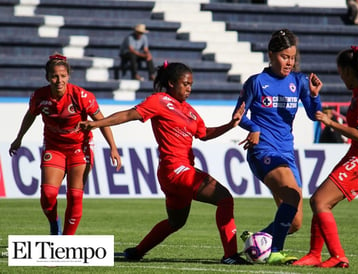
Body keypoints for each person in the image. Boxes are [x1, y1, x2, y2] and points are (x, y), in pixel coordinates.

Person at [77, 62, 250, 265]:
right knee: (225, 199)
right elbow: (128, 114)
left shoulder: (190, 111)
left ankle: (136, 252)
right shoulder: (159, 101)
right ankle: (230, 255)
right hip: (177, 170)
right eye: (185, 84)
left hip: (173, 175)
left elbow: (204, 134)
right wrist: (96, 123)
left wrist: (231, 125)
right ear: (171, 83)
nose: (189, 88)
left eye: (191, 84)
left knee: (176, 222)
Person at [293, 46, 358, 268]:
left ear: (351, 70)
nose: (341, 77)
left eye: (342, 72)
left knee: (319, 201)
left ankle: (338, 256)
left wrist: (331, 122)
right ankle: (314, 254)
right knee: (320, 200)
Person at [233, 29, 323, 265]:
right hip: (262, 151)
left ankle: (256, 241)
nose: (290, 62)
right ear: (271, 55)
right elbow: (238, 116)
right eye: (284, 57)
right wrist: (253, 127)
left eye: (292, 57)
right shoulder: (256, 82)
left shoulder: (300, 81)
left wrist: (314, 96)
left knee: (294, 223)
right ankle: (274, 251)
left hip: (286, 153)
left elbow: (315, 115)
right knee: (293, 196)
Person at [9, 53, 122, 235]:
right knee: (48, 194)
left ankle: (65, 243)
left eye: (62, 76)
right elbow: (31, 115)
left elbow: (101, 121)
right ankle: (54, 224)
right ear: (47, 77)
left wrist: (113, 148)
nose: (58, 80)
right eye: (54, 76)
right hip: (55, 148)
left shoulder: (82, 96)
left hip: (79, 148)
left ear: (68, 76)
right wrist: (19, 137)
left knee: (75, 195)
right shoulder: (39, 96)